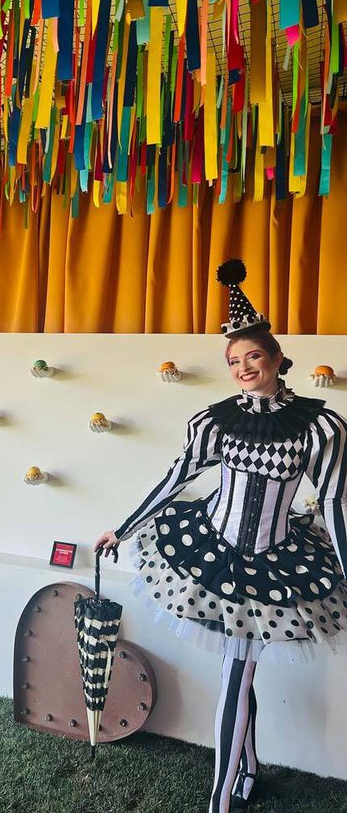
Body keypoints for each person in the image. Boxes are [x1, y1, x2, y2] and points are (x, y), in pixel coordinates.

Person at [94, 260, 347, 813]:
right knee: (240, 667)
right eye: (234, 361)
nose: (243, 367)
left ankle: (223, 798)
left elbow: (331, 502)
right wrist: (126, 526)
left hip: (274, 565)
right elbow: (177, 476)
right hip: (213, 551)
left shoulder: (320, 428)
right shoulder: (214, 420)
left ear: (279, 358)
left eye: (253, 356)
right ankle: (240, 776)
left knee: (239, 670)